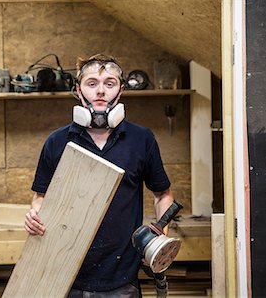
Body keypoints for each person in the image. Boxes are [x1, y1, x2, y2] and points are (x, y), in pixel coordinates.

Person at [24, 53, 174, 297]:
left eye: (109, 84)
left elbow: (163, 195)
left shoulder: (141, 140)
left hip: (121, 277)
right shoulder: (58, 142)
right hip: (64, 273)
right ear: (78, 90)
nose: (100, 91)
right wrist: (35, 216)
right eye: (92, 84)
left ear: (121, 91)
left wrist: (158, 240)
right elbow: (41, 197)